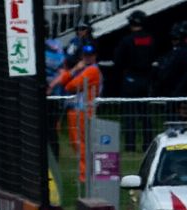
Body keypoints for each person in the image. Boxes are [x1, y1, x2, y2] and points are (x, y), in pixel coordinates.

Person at [51, 44, 102, 182]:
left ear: (95, 56)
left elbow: (70, 86)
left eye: (90, 55)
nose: (88, 58)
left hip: (84, 110)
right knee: (77, 143)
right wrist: (74, 70)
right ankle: (86, 173)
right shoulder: (82, 69)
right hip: (76, 110)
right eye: (85, 55)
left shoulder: (92, 70)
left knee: (81, 143)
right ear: (81, 56)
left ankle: (85, 175)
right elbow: (63, 80)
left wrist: (72, 74)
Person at [114, 11, 159, 151]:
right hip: (146, 80)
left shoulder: (126, 40)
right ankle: (148, 144)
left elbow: (118, 60)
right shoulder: (151, 39)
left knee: (129, 114)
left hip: (130, 80)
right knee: (146, 115)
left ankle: (130, 145)